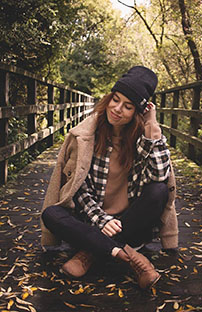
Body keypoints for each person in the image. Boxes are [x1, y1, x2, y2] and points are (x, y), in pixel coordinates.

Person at [40, 66, 178, 289]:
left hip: (131, 222)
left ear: (137, 112)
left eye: (128, 106)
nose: (117, 109)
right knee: (51, 213)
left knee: (159, 190)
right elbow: (79, 189)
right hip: (93, 220)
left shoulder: (141, 137)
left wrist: (152, 125)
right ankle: (124, 254)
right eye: (115, 99)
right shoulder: (88, 136)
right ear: (108, 98)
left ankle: (89, 253)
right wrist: (102, 220)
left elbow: (160, 175)